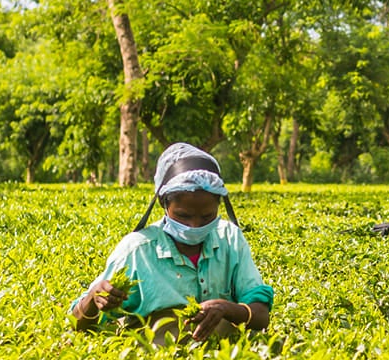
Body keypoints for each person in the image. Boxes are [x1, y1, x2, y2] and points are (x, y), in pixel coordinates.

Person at [70, 143, 274, 340]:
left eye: (207, 216)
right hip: (158, 357)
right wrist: (93, 298)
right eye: (184, 216)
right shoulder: (137, 250)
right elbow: (77, 323)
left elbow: (261, 316)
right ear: (163, 203)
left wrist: (228, 309)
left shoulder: (230, 239)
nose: (194, 226)